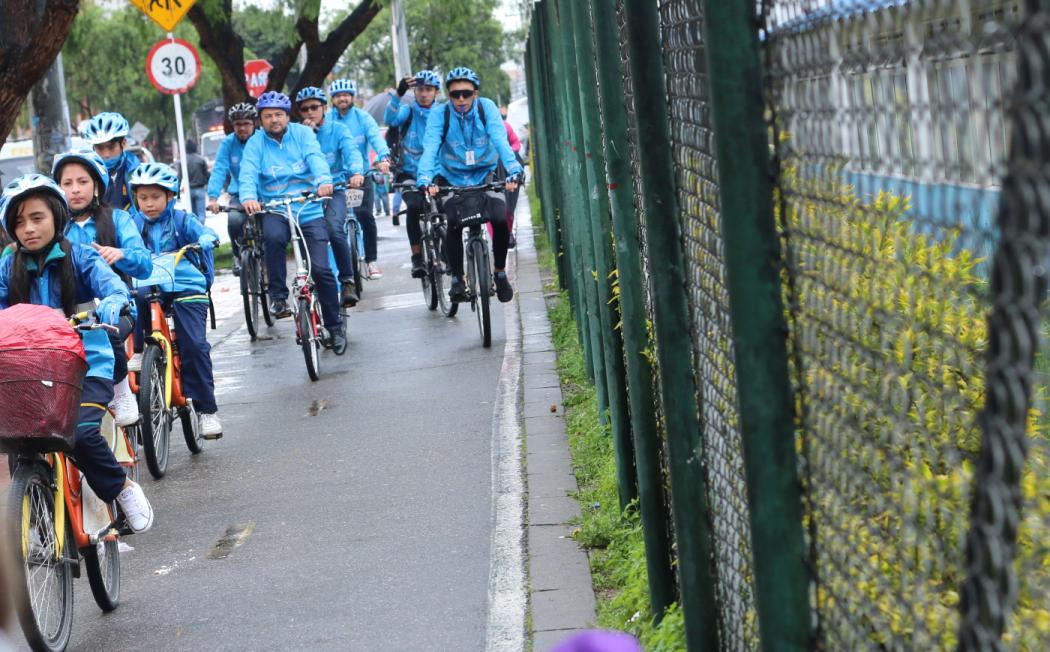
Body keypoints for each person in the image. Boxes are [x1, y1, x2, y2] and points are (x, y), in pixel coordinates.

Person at [0, 174, 154, 533]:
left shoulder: (80, 255)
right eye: (18, 222)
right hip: (28, 367)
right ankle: (36, 523)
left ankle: (121, 487)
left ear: (56, 216)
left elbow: (112, 286)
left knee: (80, 432)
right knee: (15, 437)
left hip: (86, 362)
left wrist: (115, 302)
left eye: (37, 218)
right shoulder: (8, 265)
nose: (28, 229)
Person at [238, 91, 347, 354]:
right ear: (261, 120)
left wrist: (323, 181)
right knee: (274, 238)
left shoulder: (303, 134)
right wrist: (249, 197)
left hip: (308, 207)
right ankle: (278, 297)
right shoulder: (255, 143)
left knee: (321, 269)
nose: (273, 120)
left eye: (278, 114)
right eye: (267, 116)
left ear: (287, 116)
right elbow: (248, 172)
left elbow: (315, 158)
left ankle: (334, 326)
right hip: (276, 208)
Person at [52, 149, 153, 428]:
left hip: (118, 307)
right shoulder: (55, 229)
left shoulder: (119, 219)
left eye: (82, 181)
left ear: (96, 186)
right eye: (67, 183)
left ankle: (121, 392)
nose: (75, 190)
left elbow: (145, 265)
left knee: (107, 327)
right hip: (72, 312)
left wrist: (121, 254)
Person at [127, 163, 223, 439]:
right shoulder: (133, 224)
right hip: (151, 283)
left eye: (155, 197)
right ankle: (142, 355)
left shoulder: (183, 220)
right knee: (133, 301)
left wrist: (206, 239)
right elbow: (121, 243)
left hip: (186, 285)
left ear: (170, 196)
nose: (148, 204)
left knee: (194, 343)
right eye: (142, 198)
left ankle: (207, 411)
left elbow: (207, 233)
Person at [416, 67, 522, 303]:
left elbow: (500, 139)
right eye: (455, 95)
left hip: (485, 172)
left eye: (466, 93)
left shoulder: (487, 108)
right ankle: (457, 279)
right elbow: (431, 147)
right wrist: (424, 179)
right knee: (453, 223)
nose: (461, 99)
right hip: (451, 177)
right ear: (449, 95)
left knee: (499, 218)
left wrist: (514, 169)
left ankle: (500, 272)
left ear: (475, 93)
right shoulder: (439, 115)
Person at [294, 86, 365, 308]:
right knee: (302, 234)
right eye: (304, 109)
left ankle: (347, 280)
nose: (310, 113)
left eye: (314, 107)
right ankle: (306, 276)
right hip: (307, 193)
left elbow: (352, 152)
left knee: (334, 228)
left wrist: (355, 172)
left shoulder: (338, 129)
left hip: (336, 187)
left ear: (324, 108)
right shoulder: (295, 135)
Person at [327, 78, 392, 278]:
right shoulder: (327, 119)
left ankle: (371, 260)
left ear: (352, 97)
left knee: (365, 215)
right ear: (332, 99)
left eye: (346, 95)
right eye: (338, 96)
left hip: (362, 176)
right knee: (333, 223)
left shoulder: (363, 118)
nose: (342, 98)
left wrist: (383, 157)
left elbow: (376, 139)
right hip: (335, 180)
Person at [385, 70, 443, 279]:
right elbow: (390, 119)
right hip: (408, 171)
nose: (424, 94)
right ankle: (417, 257)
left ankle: (445, 242)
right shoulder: (407, 110)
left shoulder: (443, 112)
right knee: (414, 206)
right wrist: (398, 94)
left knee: (447, 207)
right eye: (420, 90)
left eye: (428, 90)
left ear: (436, 92)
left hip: (437, 172)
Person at [207, 102, 258, 276]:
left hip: (264, 194)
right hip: (239, 194)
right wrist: (213, 198)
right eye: (238, 124)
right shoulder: (228, 143)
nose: (242, 128)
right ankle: (237, 255)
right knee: (234, 220)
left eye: (246, 124)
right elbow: (219, 168)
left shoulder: (261, 139)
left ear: (254, 124)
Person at [81, 111, 141, 210]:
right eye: (100, 148)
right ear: (93, 147)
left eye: (111, 147)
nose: (106, 155)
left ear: (123, 143)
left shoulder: (136, 172)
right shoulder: (86, 173)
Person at [499, 106, 523, 249]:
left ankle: (508, 233)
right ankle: (499, 236)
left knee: (509, 205)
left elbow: (516, 143)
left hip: (509, 169)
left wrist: (508, 152)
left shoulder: (505, 127)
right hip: (492, 171)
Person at [181, 139, 210, 219]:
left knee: (193, 214)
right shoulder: (201, 159)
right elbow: (206, 174)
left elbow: (180, 176)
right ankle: (201, 230)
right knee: (201, 213)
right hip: (200, 188)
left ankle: (195, 229)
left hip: (189, 189)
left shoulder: (183, 160)